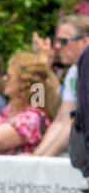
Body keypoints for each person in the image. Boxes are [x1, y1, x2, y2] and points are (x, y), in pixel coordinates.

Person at [31, 16, 89, 157]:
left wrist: (42, 67)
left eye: (63, 41)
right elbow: (60, 118)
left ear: (85, 41)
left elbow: (38, 108)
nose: (57, 46)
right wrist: (36, 159)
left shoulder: (75, 71)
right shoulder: (73, 72)